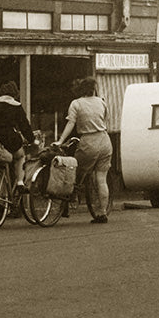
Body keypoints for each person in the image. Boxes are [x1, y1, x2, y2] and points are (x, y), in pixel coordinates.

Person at [57, 76, 112, 224]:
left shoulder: (76, 104)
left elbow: (71, 123)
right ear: (94, 89)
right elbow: (106, 121)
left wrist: (60, 141)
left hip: (88, 141)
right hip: (104, 140)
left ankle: (70, 199)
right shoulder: (101, 102)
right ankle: (102, 213)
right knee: (101, 179)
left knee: (75, 171)